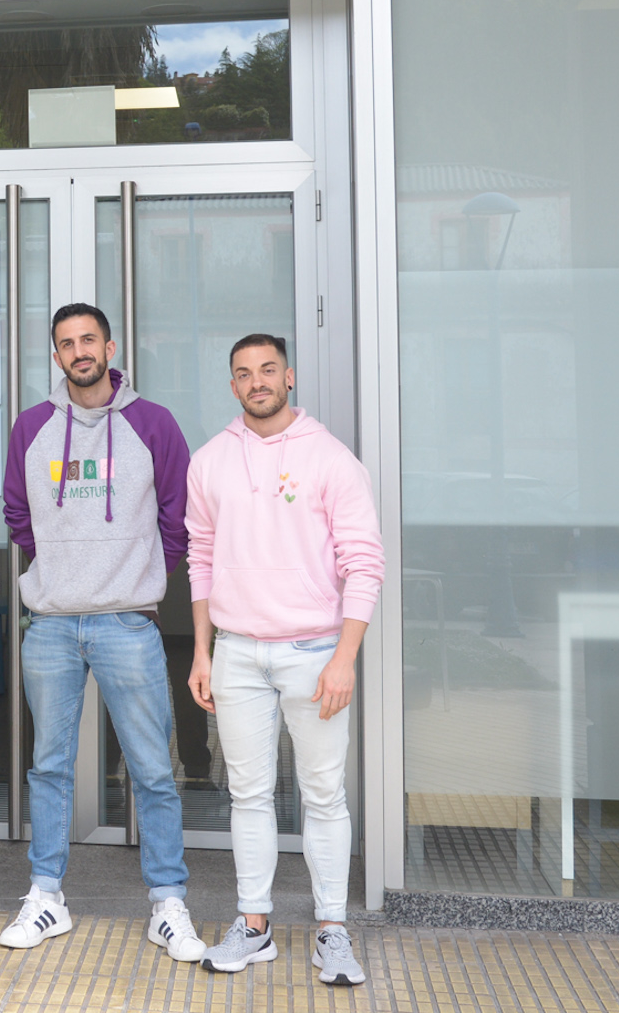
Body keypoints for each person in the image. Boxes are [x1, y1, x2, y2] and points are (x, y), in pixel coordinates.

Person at [0, 304, 205, 962]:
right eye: (67, 343)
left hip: (126, 620)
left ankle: (168, 903)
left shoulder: (153, 423)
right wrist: (59, 567)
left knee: (152, 770)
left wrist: (142, 573)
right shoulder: (32, 427)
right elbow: (16, 512)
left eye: (89, 339)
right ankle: (46, 897)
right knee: (48, 768)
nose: (79, 351)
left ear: (110, 348)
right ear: (56, 355)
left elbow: (177, 513)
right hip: (52, 622)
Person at [187, 334, 383, 987]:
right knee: (248, 794)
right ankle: (254, 925)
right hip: (237, 652)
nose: (257, 381)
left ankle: (333, 930)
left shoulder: (331, 459)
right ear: (233, 385)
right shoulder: (210, 461)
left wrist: (345, 658)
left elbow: (364, 563)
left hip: (314, 652)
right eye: (244, 373)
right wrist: (203, 651)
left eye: (268, 369)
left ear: (289, 377)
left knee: (323, 794)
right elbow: (200, 557)